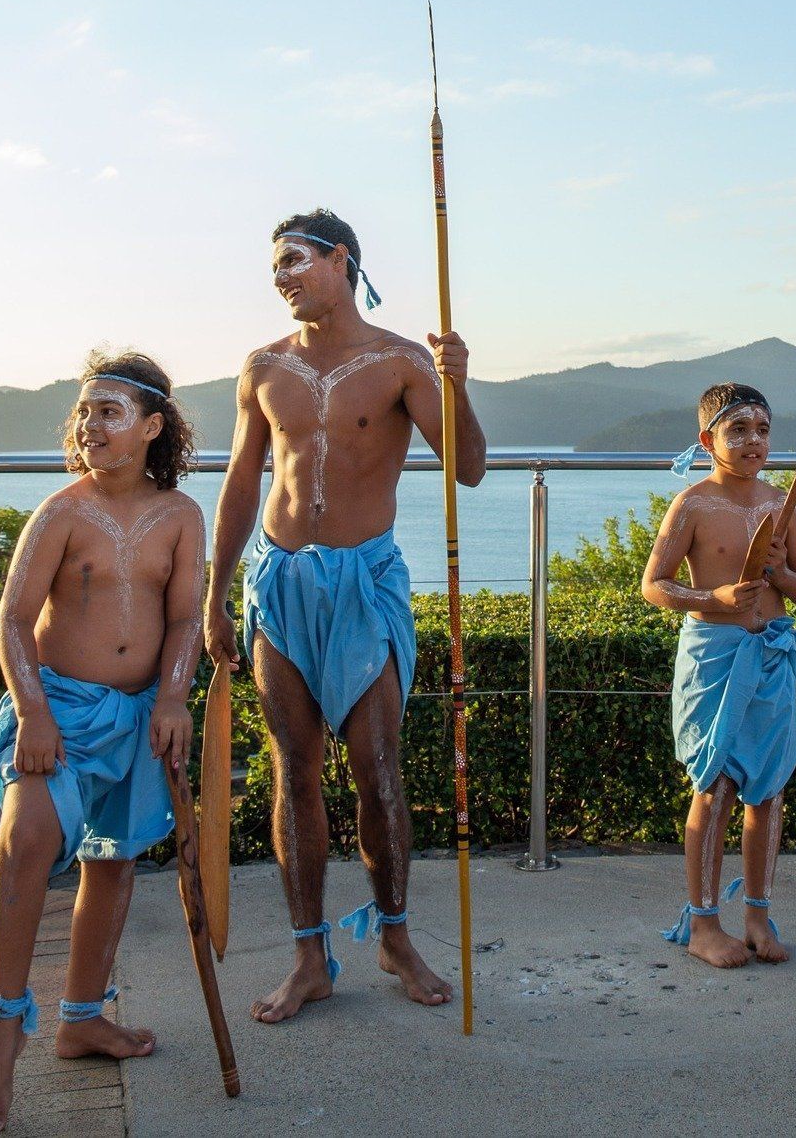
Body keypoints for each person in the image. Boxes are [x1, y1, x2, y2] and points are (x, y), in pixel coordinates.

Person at [205, 209, 485, 1022]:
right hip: (280, 581)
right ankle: (308, 955)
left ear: (342, 260)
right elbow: (238, 485)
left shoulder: (400, 362)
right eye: (275, 268)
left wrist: (455, 385)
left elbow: (466, 470)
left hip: (365, 582)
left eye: (295, 261)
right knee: (294, 768)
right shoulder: (262, 367)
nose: (283, 277)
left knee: (376, 764)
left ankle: (395, 936)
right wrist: (216, 594)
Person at [0, 353, 203, 1132]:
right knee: (26, 840)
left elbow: (184, 618)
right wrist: (33, 716)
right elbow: (10, 619)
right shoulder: (61, 511)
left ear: (151, 427)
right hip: (58, 712)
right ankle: (1, 1039)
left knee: (113, 860)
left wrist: (172, 697)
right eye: (84, 412)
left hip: (136, 716)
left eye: (109, 412)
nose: (90, 426)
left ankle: (81, 1017)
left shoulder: (181, 516)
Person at [641, 382, 796, 967]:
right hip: (714, 656)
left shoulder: (780, 505)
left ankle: (759, 917)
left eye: (762, 430)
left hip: (770, 655)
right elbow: (655, 584)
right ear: (707, 440)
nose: (753, 441)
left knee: (767, 791)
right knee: (714, 788)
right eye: (737, 429)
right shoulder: (693, 503)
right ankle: (702, 924)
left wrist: (781, 575)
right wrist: (714, 596)